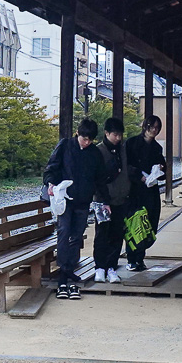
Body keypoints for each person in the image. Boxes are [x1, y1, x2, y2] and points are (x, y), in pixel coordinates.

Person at [43, 118, 110, 300]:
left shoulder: (94, 153)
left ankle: (69, 268)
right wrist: (50, 183)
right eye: (84, 138)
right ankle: (63, 273)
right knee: (64, 232)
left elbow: (100, 180)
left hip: (83, 201)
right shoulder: (65, 146)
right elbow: (52, 167)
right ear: (77, 134)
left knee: (77, 235)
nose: (86, 142)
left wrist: (105, 201)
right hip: (65, 200)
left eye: (90, 139)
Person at [93, 117, 137, 284]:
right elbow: (96, 179)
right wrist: (103, 199)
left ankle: (111, 267)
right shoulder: (99, 151)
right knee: (102, 234)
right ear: (107, 133)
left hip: (121, 199)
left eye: (120, 135)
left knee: (117, 234)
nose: (118, 138)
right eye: (115, 135)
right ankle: (99, 267)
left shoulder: (123, 150)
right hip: (102, 200)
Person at [125, 115, 165, 271]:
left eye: (156, 128)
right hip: (135, 190)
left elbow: (163, 165)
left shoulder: (156, 148)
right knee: (136, 224)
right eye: (151, 127)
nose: (153, 130)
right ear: (145, 126)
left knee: (149, 224)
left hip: (151, 190)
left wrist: (160, 169)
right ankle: (132, 259)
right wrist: (140, 176)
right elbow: (126, 165)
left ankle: (140, 258)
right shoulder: (132, 143)